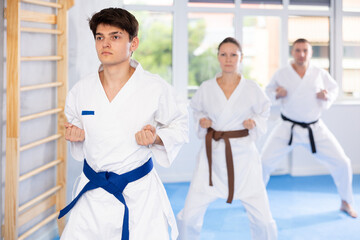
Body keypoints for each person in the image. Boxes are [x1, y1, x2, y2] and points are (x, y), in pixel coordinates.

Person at [58, 8, 189, 240]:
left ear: (133, 43)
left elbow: (180, 124)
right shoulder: (81, 89)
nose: (105, 44)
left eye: (115, 37)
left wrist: (156, 137)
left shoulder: (155, 87)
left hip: (138, 194)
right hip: (93, 193)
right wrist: (75, 133)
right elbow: (72, 122)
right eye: (100, 37)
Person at [176, 37, 277, 240]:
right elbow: (195, 109)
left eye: (233, 55)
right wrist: (201, 120)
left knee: (263, 219)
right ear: (218, 57)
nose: (228, 59)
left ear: (241, 58)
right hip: (211, 156)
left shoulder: (251, 88)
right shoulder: (206, 87)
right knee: (188, 216)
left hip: (244, 156)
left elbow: (265, 111)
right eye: (223, 54)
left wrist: (254, 122)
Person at [261, 38, 357, 218]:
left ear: (310, 53)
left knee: (343, 162)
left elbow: (334, 89)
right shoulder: (282, 73)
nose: (301, 54)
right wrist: (277, 94)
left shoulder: (319, 73)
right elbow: (267, 93)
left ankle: (346, 201)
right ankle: (256, 202)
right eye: (298, 50)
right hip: (287, 127)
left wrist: (326, 96)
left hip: (315, 128)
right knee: (264, 163)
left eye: (305, 50)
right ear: (292, 52)